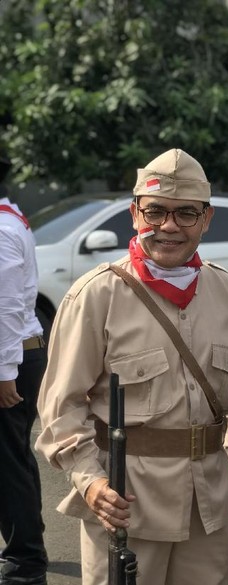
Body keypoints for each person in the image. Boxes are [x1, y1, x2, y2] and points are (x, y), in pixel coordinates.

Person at [35, 149, 228, 585]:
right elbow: (61, 407)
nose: (168, 226)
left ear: (206, 220)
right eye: (155, 211)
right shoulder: (97, 295)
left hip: (208, 502)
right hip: (126, 500)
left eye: (185, 213)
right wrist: (91, 483)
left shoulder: (224, 289)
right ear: (135, 214)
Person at [0, 190, 48, 585]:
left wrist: (3, 373)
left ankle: (24, 564)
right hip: (20, 356)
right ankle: (29, 548)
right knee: (15, 458)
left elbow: (6, 305)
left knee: (7, 465)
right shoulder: (10, 215)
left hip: (11, 360)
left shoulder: (1, 226)